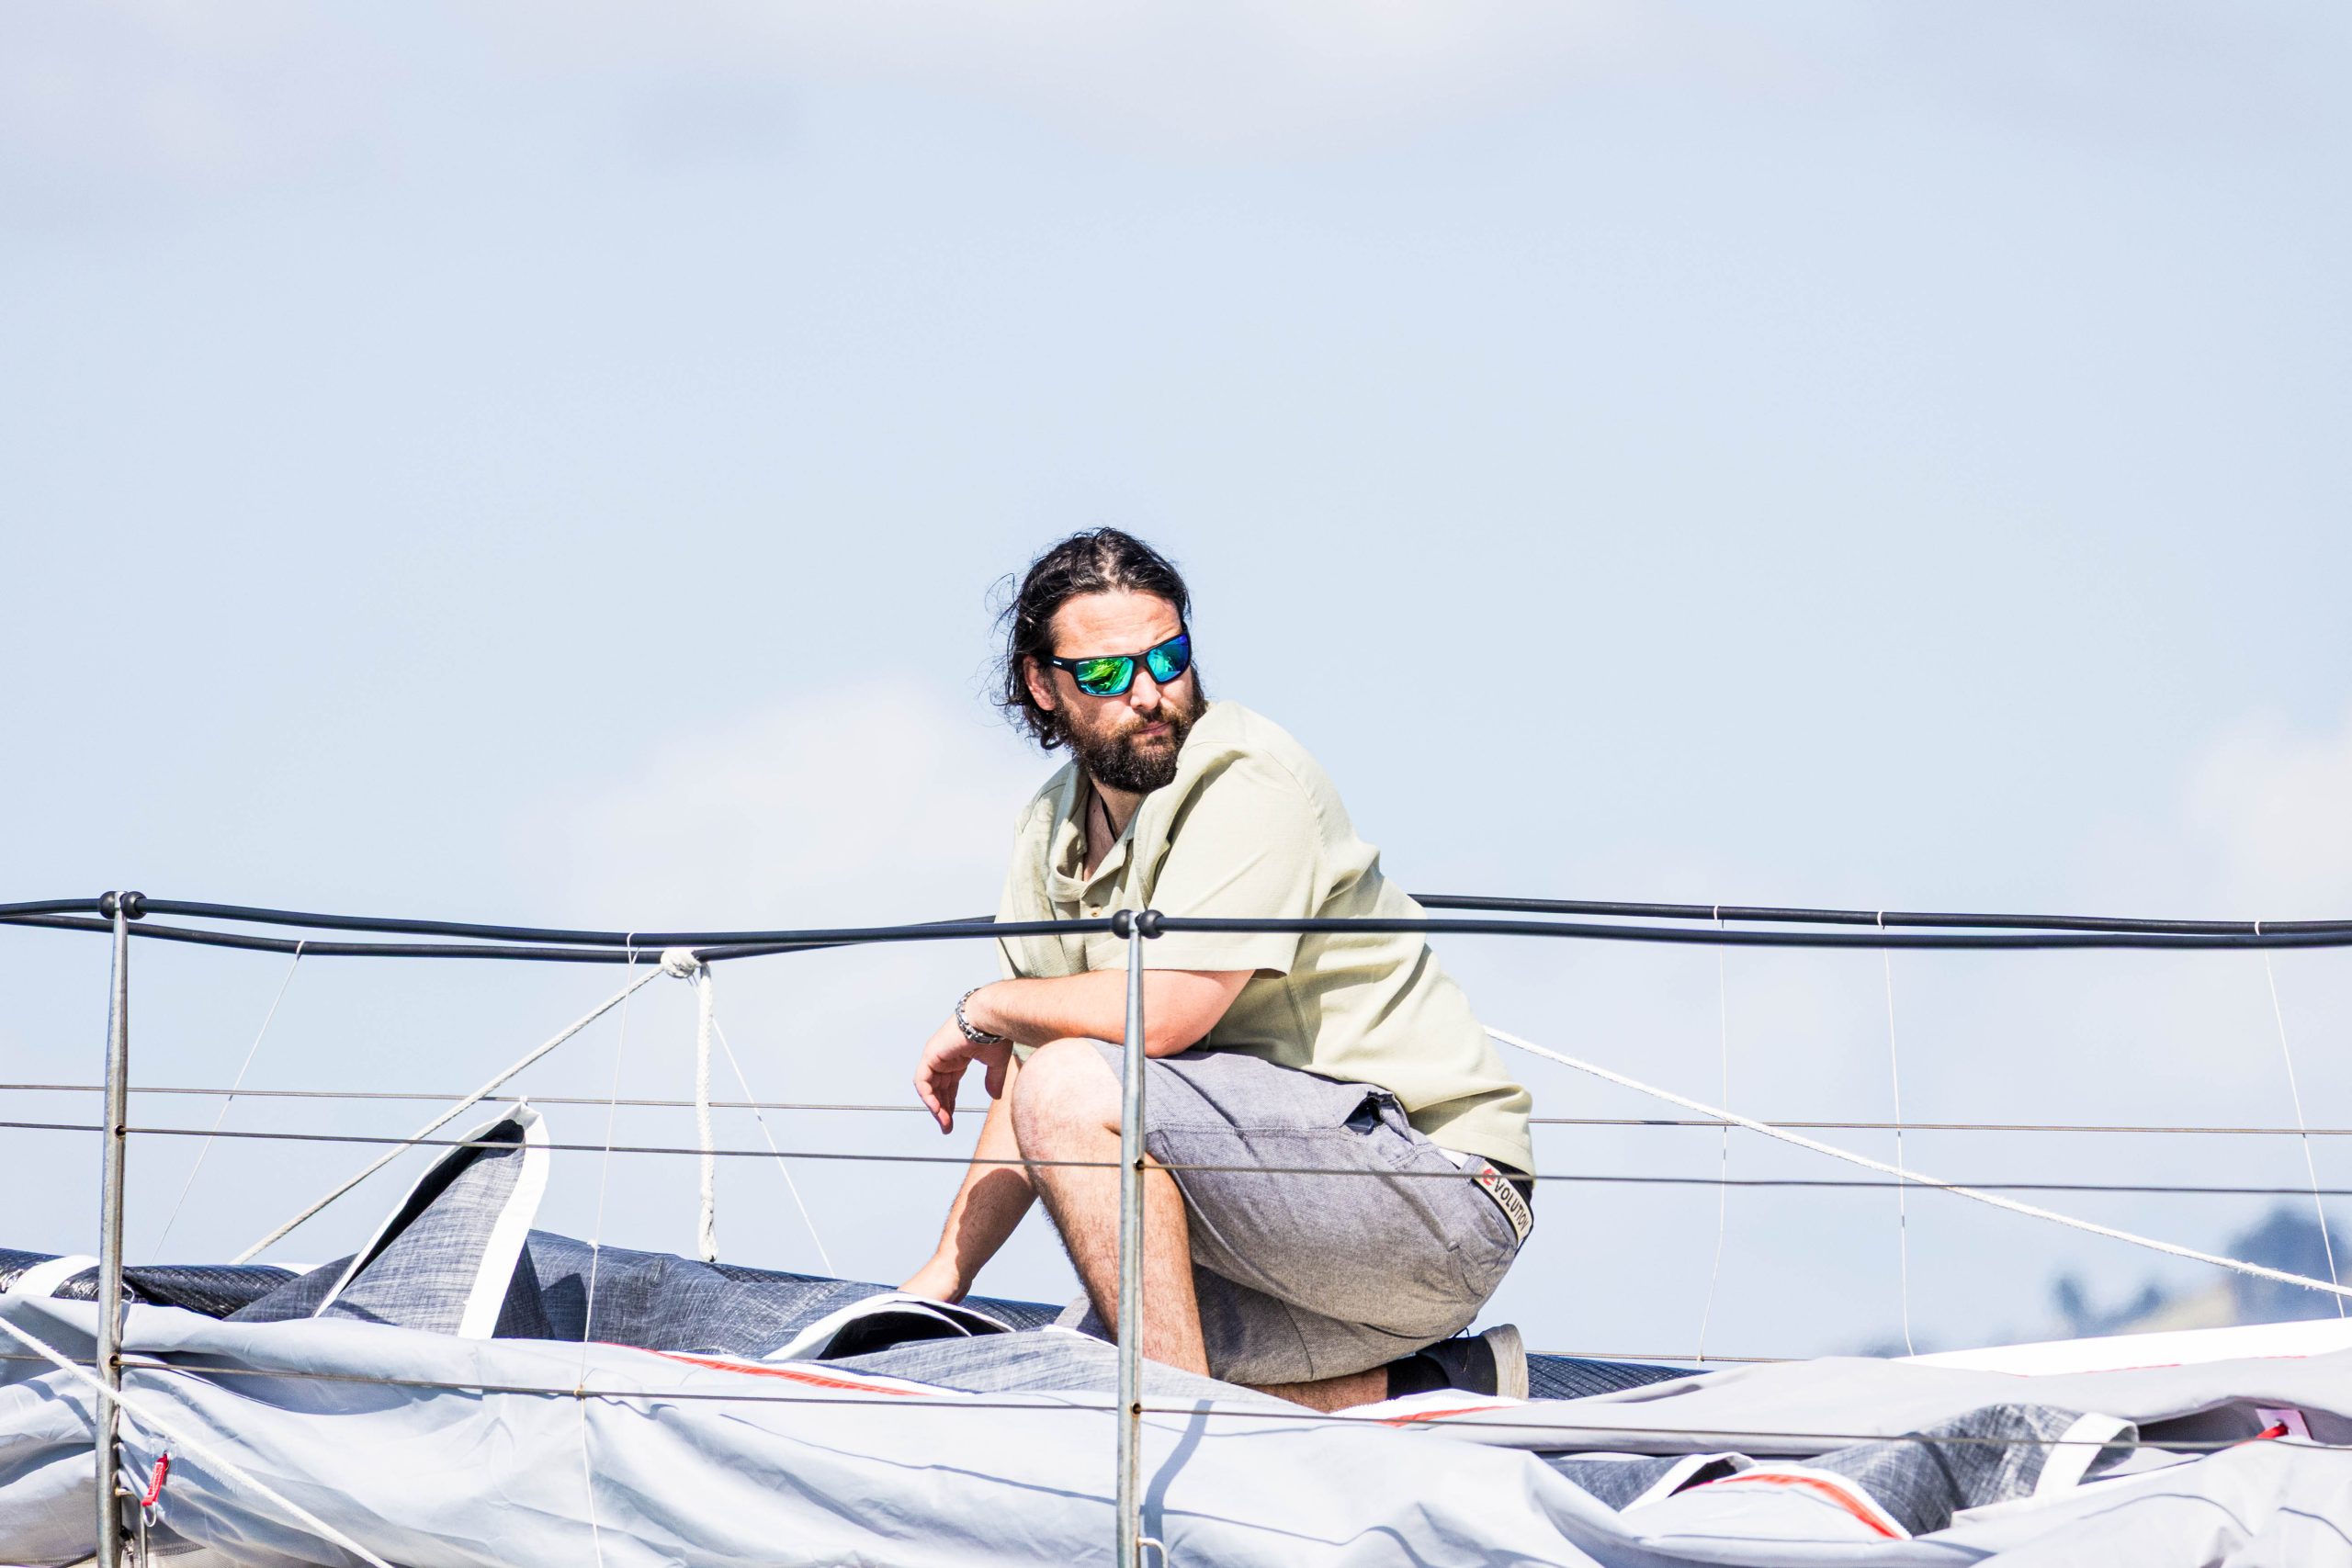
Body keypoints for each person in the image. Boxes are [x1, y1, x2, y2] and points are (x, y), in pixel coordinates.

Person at [900, 529, 1535, 1411]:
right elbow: (1030, 1084)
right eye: (1108, 673)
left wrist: (990, 1005)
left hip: (1440, 1196)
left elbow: (1163, 1016)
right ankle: (1434, 1387)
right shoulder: (1047, 827)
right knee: (1075, 1373)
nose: (1150, 693)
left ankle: (1184, 1452)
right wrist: (941, 1278)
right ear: (1044, 685)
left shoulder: (1248, 778)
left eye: (1168, 657)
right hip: (1281, 1216)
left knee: (1074, 1094)